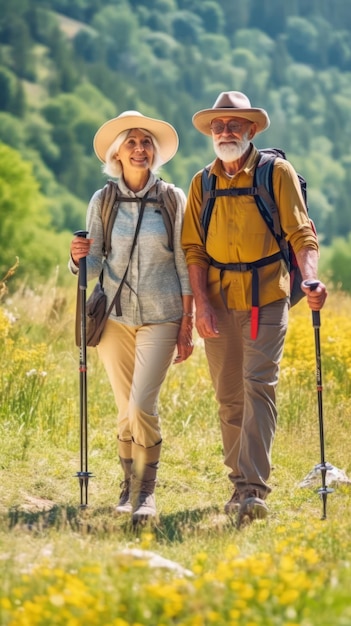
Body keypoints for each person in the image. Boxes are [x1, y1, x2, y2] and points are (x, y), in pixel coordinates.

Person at [181, 91, 327, 522]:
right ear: (212, 133)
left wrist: (312, 276)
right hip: (219, 301)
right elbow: (192, 249)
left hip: (267, 295)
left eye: (234, 125)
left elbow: (302, 234)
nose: (225, 132)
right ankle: (237, 482)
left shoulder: (275, 172)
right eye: (218, 126)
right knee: (229, 397)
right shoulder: (201, 182)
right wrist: (200, 306)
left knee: (257, 385)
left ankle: (253, 489)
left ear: (251, 130)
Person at [69, 110, 193, 523]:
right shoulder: (103, 200)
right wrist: (76, 261)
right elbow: (95, 258)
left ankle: (146, 492)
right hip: (115, 321)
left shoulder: (172, 198)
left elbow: (183, 262)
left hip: (163, 316)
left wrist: (188, 322)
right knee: (124, 410)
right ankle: (128, 490)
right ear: (117, 153)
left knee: (141, 405)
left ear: (153, 152)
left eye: (145, 143)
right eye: (131, 142)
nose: (140, 149)